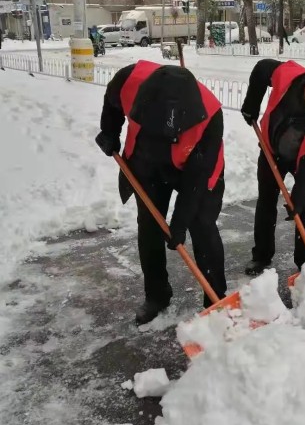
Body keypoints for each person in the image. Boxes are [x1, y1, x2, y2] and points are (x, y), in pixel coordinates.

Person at [95, 60, 227, 325]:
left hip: (192, 168)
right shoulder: (129, 79)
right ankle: (157, 295)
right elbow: (112, 102)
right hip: (148, 162)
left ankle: (215, 300)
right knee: (149, 225)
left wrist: (179, 225)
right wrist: (110, 132)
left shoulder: (210, 115)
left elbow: (196, 179)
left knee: (201, 224)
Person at [240, 59, 305, 276]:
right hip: (273, 150)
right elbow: (262, 68)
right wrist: (251, 104)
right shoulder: (287, 76)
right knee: (266, 201)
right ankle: (261, 255)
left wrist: (298, 198)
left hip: (304, 159)